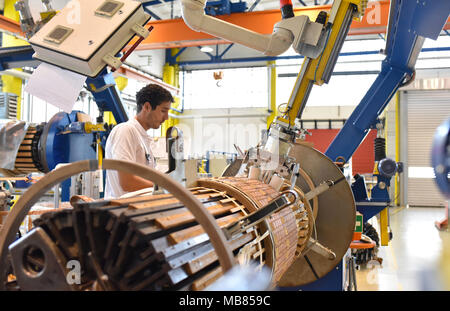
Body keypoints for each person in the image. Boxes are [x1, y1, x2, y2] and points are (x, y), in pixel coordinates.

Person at [104, 83, 174, 198]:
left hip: (139, 208)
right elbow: (127, 182)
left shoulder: (143, 137)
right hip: (123, 210)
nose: (166, 118)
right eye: (163, 111)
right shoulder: (126, 131)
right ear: (147, 107)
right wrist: (166, 187)